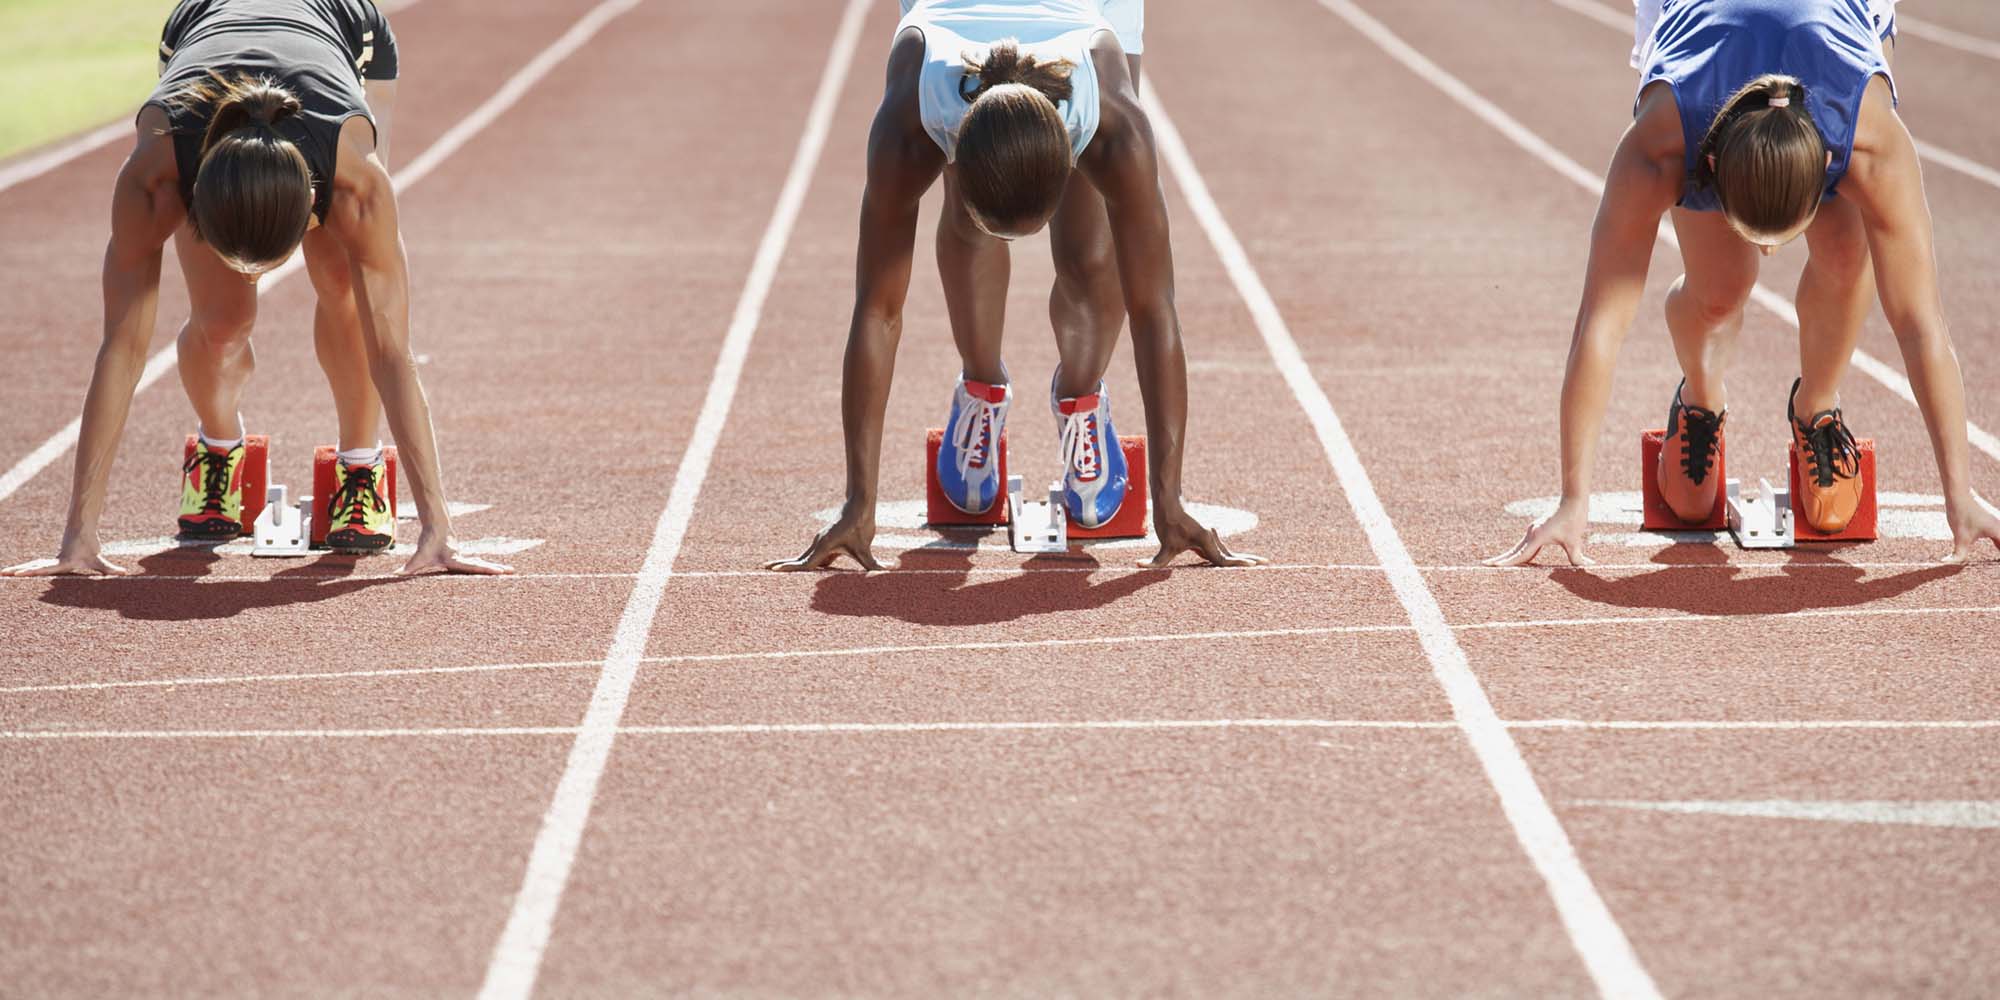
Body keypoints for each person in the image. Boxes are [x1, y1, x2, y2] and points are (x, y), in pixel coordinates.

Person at [4, 0, 508, 577]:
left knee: (345, 280)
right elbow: (121, 346)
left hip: (345, 31)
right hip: (202, 27)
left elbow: (392, 349)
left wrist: (439, 528)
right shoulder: (156, 171)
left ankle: (360, 467)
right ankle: (219, 450)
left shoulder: (354, 182)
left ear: (312, 207)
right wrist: (77, 538)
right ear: (196, 203)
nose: (254, 277)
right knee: (221, 322)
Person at [1491, 0, 2000, 567]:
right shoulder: (1661, 145)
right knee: (1721, 288)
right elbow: (1601, 321)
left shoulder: (1868, 140)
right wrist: (1572, 498)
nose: (1770, 252)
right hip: (1701, 44)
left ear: (1828, 162)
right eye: (1754, 231)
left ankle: (1818, 410)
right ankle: (1700, 400)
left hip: (1833, 37)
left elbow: (1919, 320)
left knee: (1846, 249)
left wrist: (1962, 494)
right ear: (1708, 170)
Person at [770, 0, 1259, 571]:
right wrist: (859, 502)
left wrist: (1168, 501)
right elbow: (878, 308)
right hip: (951, 21)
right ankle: (980, 389)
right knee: (970, 229)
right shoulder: (912, 118)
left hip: (1084, 12)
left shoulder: (1114, 128)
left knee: (1091, 246)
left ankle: (1083, 399)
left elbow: (1153, 306)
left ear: (1072, 149)